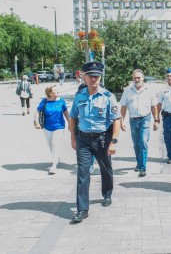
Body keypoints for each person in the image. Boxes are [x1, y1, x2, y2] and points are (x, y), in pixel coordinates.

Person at [69, 61, 121, 223]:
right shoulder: (79, 96)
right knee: (83, 173)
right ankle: (82, 209)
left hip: (102, 139)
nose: (94, 79)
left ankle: (107, 194)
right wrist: (72, 137)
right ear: (84, 77)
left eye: (96, 76)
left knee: (106, 169)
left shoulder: (108, 96)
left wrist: (113, 141)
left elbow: (116, 120)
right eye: (90, 76)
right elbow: (73, 117)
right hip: (83, 139)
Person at [120, 69, 159, 177]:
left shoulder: (149, 90)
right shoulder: (128, 90)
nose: (137, 80)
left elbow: (154, 106)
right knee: (136, 144)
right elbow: (123, 106)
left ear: (143, 78)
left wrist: (156, 120)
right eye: (135, 78)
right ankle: (139, 162)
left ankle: (142, 168)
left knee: (143, 142)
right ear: (133, 79)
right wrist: (121, 120)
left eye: (139, 78)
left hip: (145, 119)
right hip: (133, 120)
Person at [33, 85, 69, 175]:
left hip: (59, 126)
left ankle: (54, 165)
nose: (57, 91)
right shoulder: (44, 101)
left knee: (55, 143)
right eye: (55, 90)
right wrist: (36, 122)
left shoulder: (61, 101)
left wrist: (70, 124)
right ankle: (56, 158)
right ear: (49, 92)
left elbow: (66, 113)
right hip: (46, 127)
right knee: (51, 145)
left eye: (57, 90)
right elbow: (37, 111)